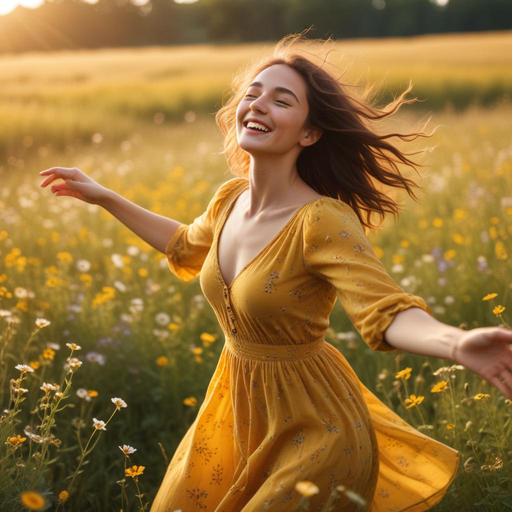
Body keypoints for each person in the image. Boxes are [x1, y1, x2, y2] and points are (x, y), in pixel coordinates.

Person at [39, 32, 512, 512]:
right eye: (252, 93)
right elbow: (184, 244)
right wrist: (104, 196)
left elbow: (385, 312)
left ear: (309, 133)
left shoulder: (321, 220)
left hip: (319, 432)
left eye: (281, 100)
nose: (258, 105)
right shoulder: (229, 200)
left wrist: (456, 344)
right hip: (236, 414)